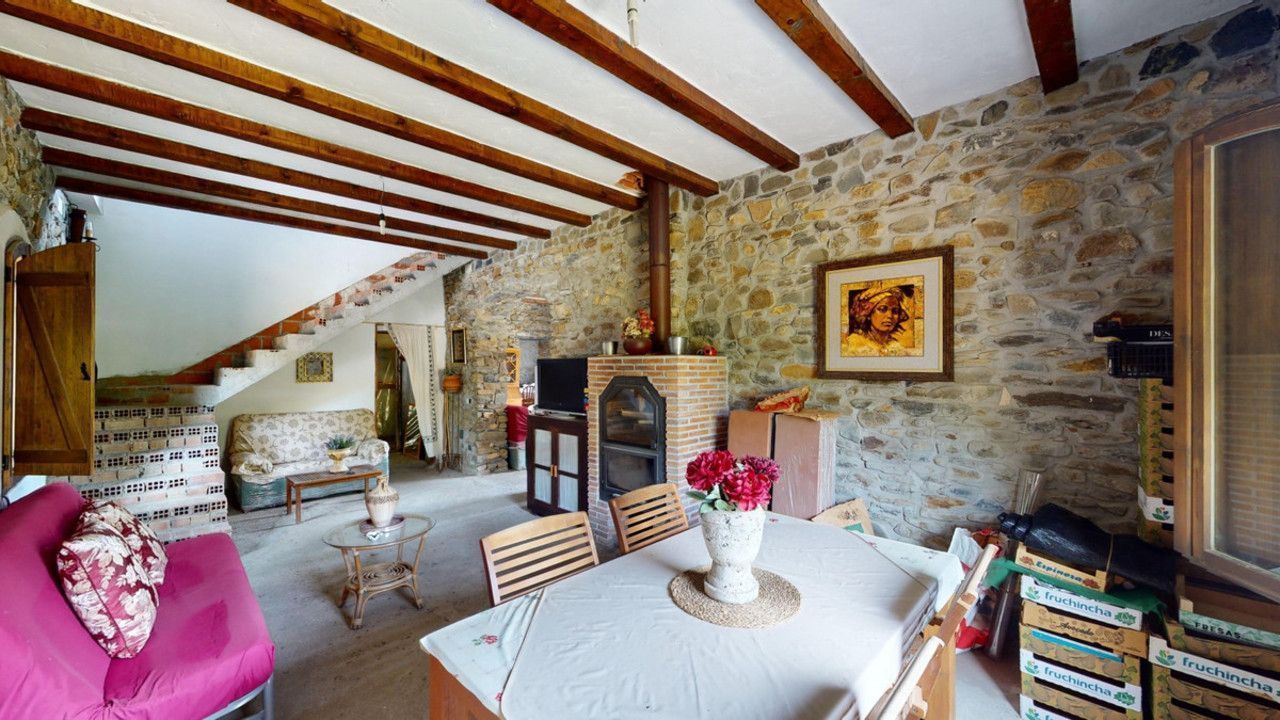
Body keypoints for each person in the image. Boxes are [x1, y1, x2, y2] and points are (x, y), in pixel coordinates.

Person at [843, 283, 914, 356]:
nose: (890, 316)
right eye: (882, 309)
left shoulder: (895, 346)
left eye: (895, 311)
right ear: (869, 314)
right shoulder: (856, 343)